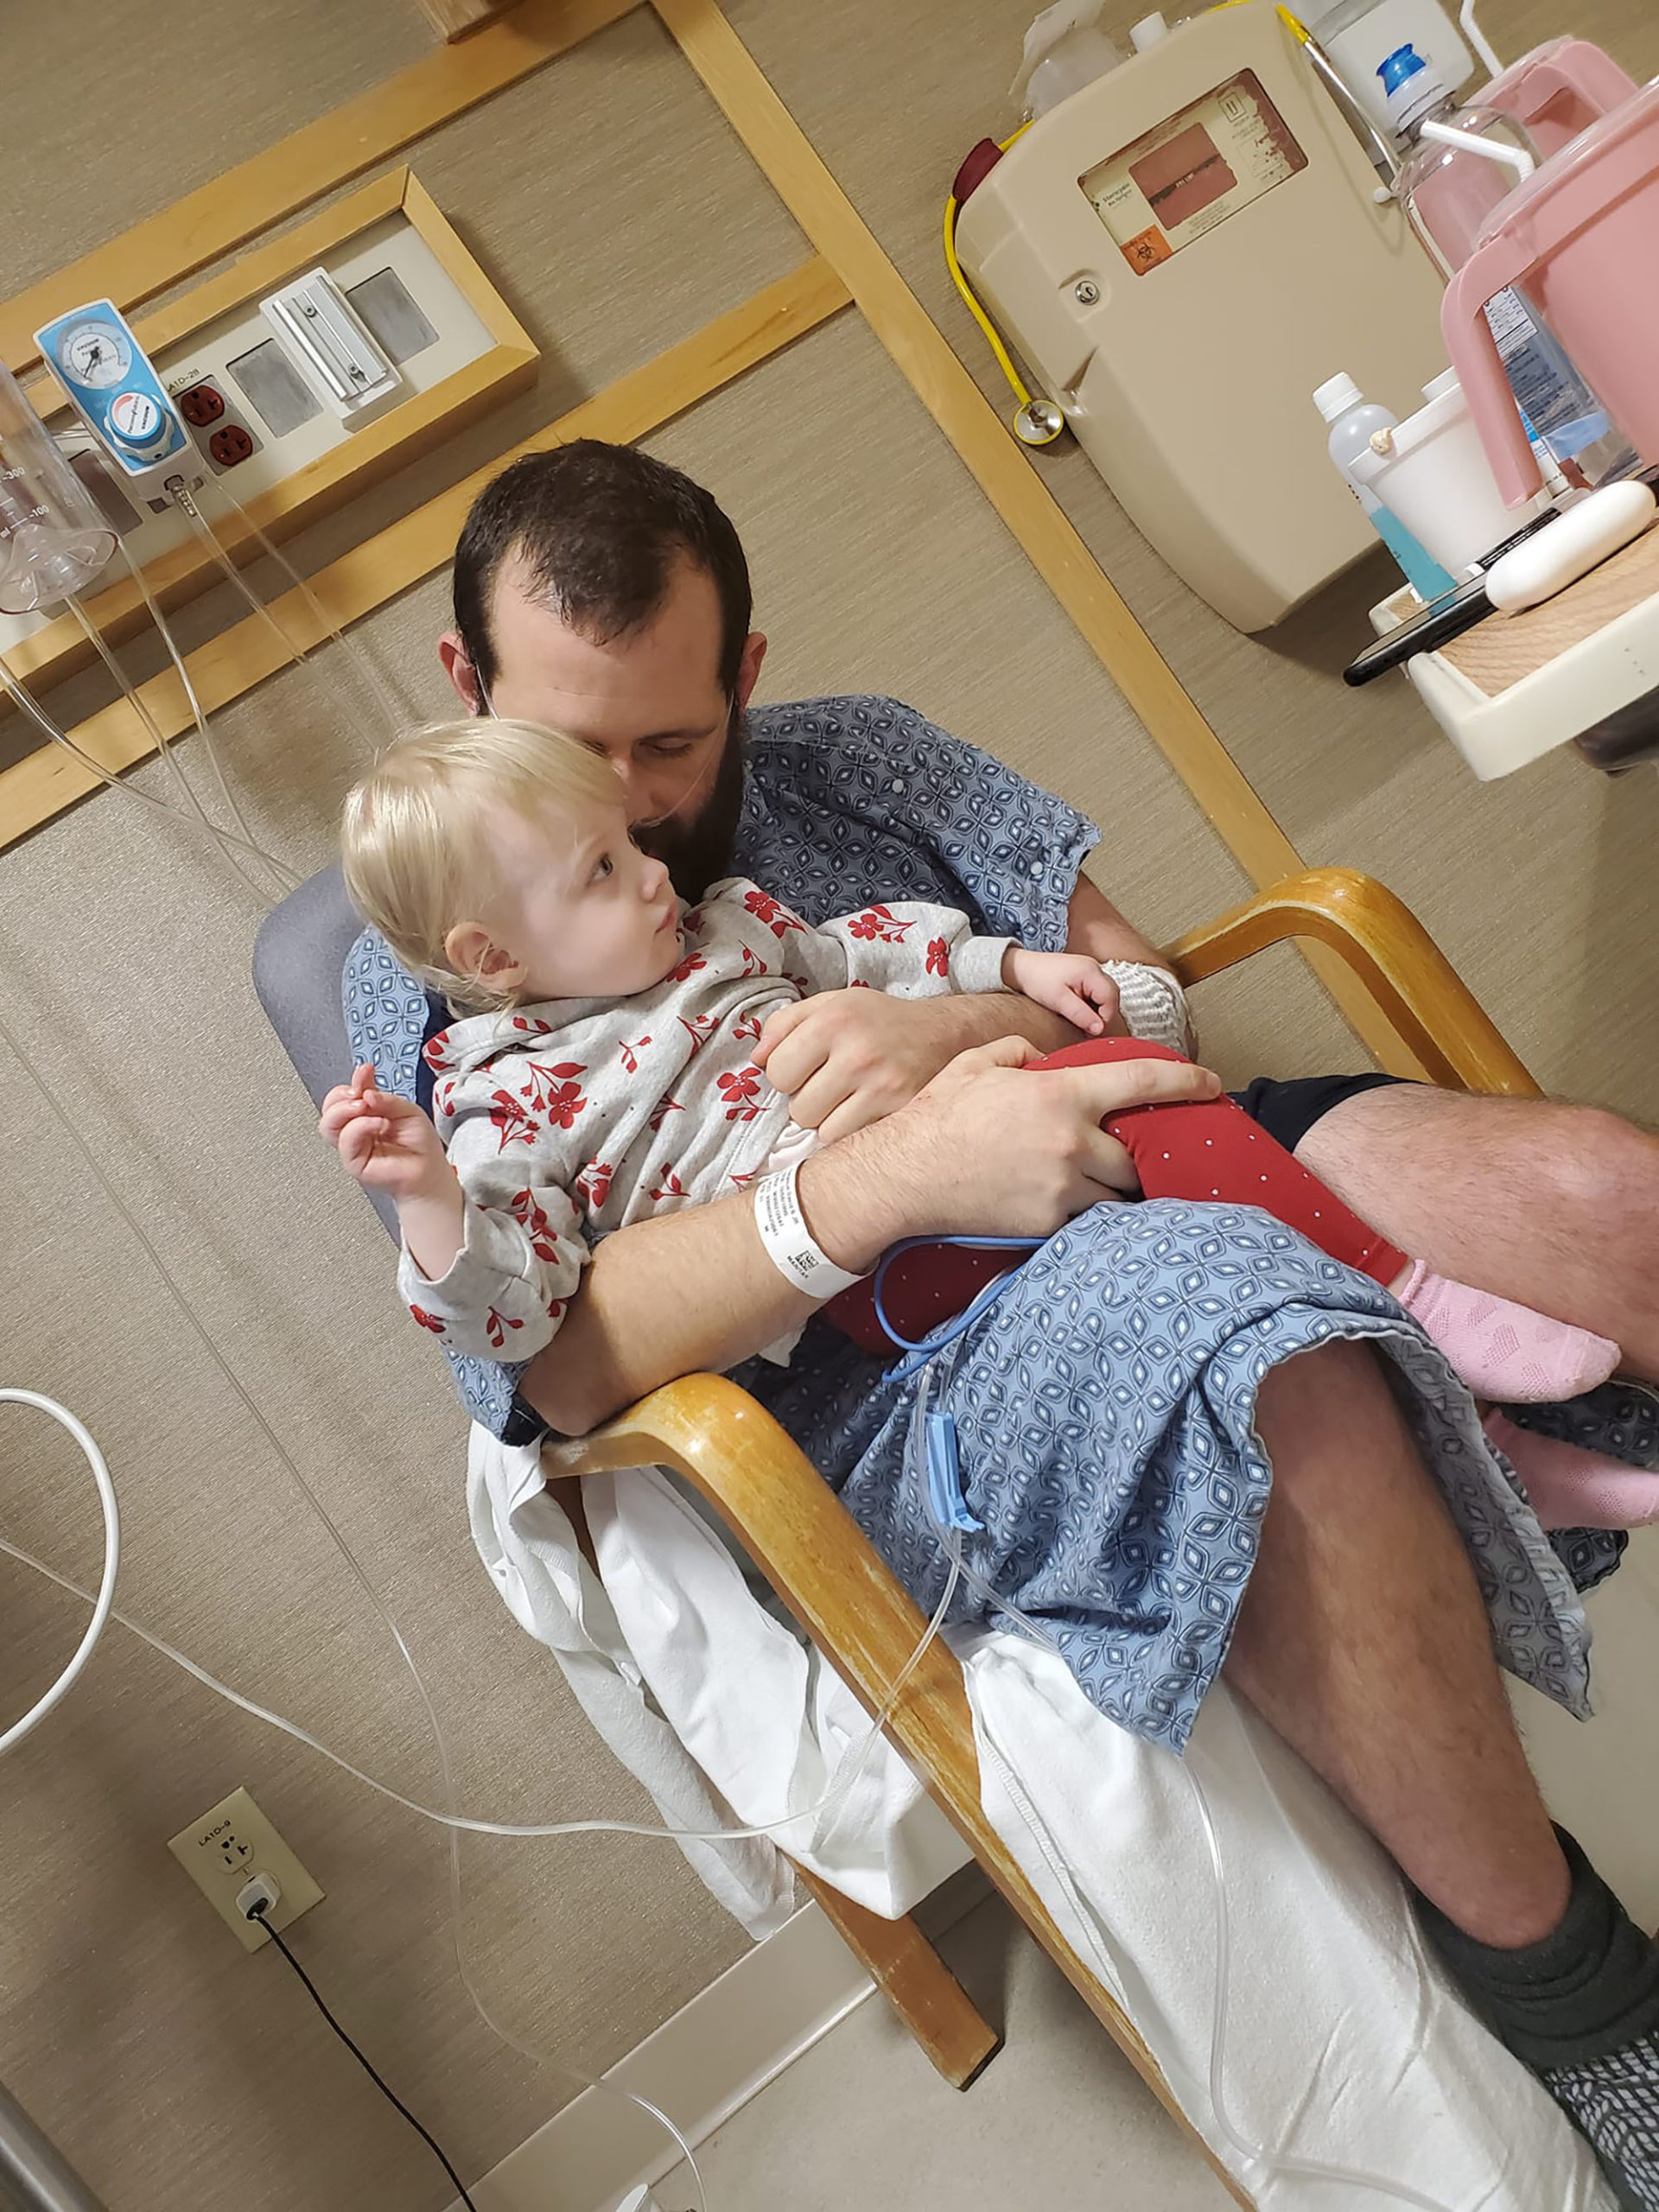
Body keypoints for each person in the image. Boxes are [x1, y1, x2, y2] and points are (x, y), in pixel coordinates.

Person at [338, 441, 1659, 2201]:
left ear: (744, 673)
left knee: (1603, 1193)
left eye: (674, 745)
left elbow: (1147, 995)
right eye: (581, 752)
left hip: (1121, 1122)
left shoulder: (857, 762)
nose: (638, 819)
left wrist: (961, 1031)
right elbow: (556, 1365)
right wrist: (879, 1180)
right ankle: (1587, 2003)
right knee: (1255, 1348)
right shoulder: (441, 974)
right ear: (467, 677)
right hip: (889, 1352)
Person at [328, 716, 1648, 1529]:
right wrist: (433, 1205)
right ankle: (1450, 1369)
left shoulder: (726, 924)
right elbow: (525, 1324)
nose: (653, 867)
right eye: (604, 869)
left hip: (1023, 1140)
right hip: (878, 1282)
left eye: (634, 833)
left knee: (1156, 1108)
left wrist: (1008, 974)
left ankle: (1473, 1402)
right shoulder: (501, 1102)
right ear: (492, 957)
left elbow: (880, 949)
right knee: (1203, 1272)